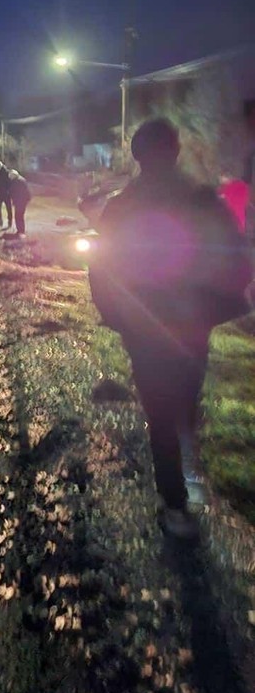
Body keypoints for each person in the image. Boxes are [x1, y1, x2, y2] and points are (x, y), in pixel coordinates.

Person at [88, 119, 251, 539]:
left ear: (138, 156)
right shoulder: (201, 199)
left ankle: (176, 502)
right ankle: (187, 470)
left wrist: (115, 315)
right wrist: (215, 305)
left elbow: (100, 268)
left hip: (142, 327)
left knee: (159, 411)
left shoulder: (122, 204)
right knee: (184, 400)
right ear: (176, 150)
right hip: (191, 324)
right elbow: (236, 259)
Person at [7, 169, 31, 235]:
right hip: (23, 200)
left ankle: (20, 230)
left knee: (18, 215)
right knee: (20, 215)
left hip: (20, 201)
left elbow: (14, 192)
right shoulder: (21, 179)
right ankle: (21, 230)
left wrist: (10, 195)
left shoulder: (17, 181)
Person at [0, 161, 13, 229]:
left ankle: (9, 222)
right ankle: (0, 221)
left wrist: (9, 191)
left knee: (8, 208)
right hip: (0, 193)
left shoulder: (6, 172)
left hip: (6, 194)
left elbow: (10, 183)